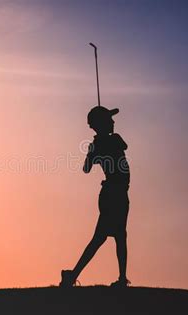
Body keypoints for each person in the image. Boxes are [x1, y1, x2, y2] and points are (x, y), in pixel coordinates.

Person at [60, 105, 131, 288]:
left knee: (114, 236)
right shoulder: (108, 141)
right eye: (109, 120)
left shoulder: (109, 141)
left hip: (118, 193)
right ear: (102, 124)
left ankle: (120, 277)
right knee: (107, 237)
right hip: (113, 194)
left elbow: (121, 146)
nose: (113, 122)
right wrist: (93, 150)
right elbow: (86, 168)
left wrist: (95, 148)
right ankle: (74, 275)